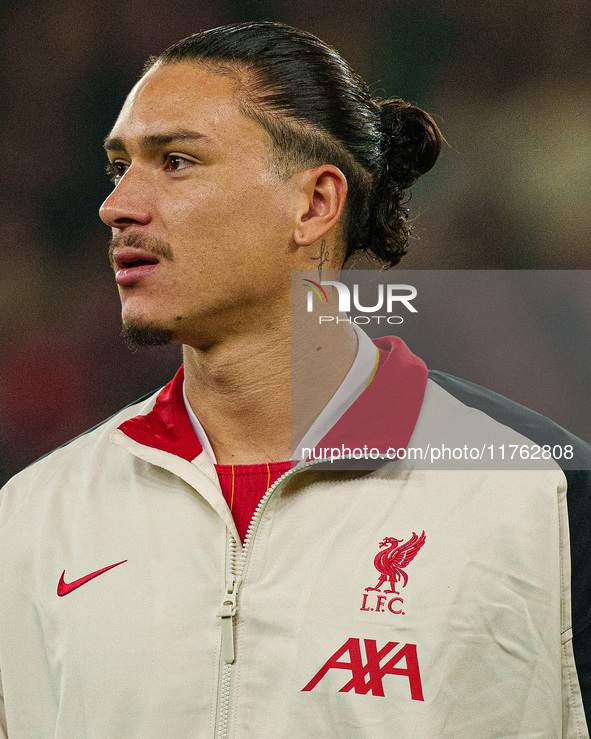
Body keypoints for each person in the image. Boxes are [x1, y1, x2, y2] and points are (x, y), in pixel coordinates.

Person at [0, 21, 589, 738]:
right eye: (118, 166)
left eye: (177, 161)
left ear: (313, 204)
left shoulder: (546, 497)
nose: (118, 205)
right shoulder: (35, 513)